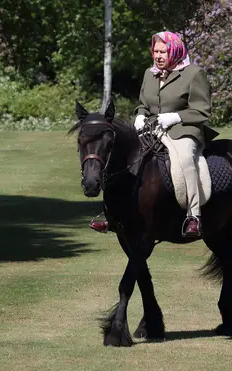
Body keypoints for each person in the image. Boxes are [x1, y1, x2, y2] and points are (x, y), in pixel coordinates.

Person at [90, 31, 217, 237]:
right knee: (120, 157)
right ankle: (112, 215)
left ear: (174, 51)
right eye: (156, 51)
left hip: (182, 130)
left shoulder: (194, 74)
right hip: (151, 129)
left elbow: (202, 111)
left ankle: (193, 216)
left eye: (163, 52)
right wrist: (139, 116)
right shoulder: (150, 73)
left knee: (185, 160)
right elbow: (143, 105)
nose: (158, 56)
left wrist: (175, 117)